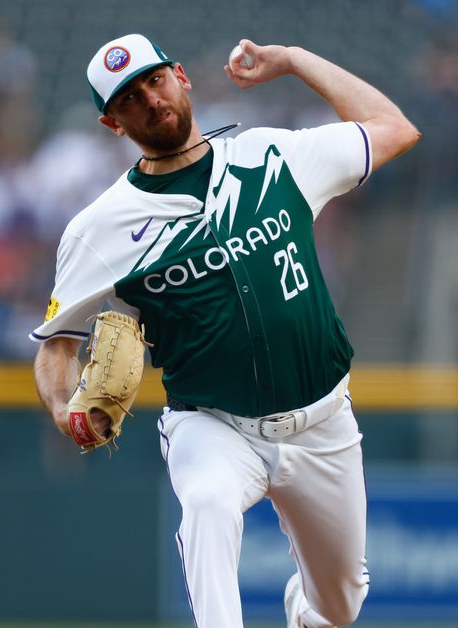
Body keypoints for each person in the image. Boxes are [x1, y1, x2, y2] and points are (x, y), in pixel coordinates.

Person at [31, 34, 419, 627]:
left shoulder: (269, 158)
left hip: (323, 423)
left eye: (154, 81)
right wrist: (63, 407)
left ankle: (306, 613)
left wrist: (291, 60)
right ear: (113, 122)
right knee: (209, 505)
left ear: (180, 76)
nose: (150, 100)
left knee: (339, 607)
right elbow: (56, 342)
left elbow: (394, 128)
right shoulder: (99, 229)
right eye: (129, 99)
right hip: (212, 424)